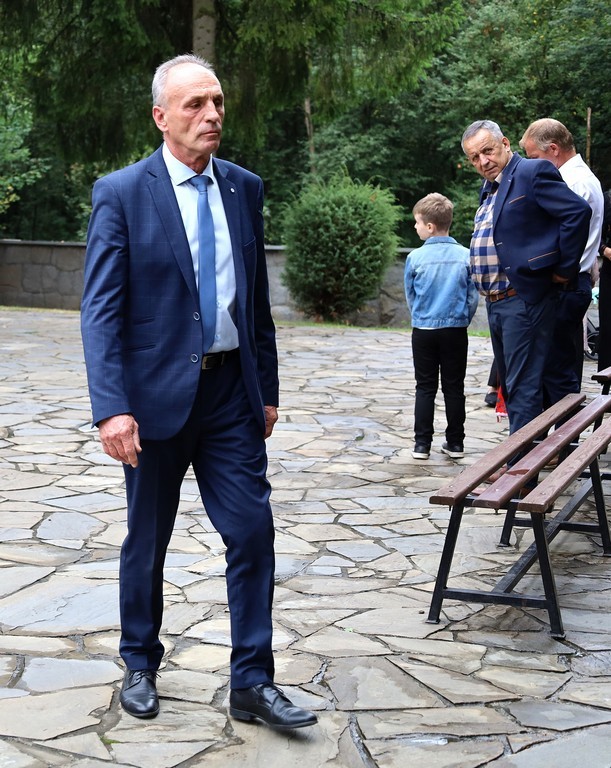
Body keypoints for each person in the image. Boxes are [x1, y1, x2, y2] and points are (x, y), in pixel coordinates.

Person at [80, 53, 317, 730]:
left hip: (230, 397)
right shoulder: (123, 192)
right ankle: (139, 662)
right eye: (194, 104)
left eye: (216, 102)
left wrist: (265, 388)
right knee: (147, 539)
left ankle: (252, 681)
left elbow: (255, 300)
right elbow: (100, 310)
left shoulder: (244, 187)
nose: (211, 114)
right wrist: (112, 408)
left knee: (252, 531)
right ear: (161, 116)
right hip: (153, 400)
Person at [461, 120, 591, 437]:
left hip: (523, 298)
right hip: (496, 303)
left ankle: (520, 466)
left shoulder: (532, 172)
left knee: (523, 391)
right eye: (475, 157)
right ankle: (525, 459)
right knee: (511, 388)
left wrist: (563, 269)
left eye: (487, 151)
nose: (483, 161)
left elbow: (577, 212)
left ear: (505, 144)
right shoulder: (489, 187)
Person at [520, 118, 604, 401]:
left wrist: (561, 271)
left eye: (534, 157)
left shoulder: (572, 182)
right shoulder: (578, 177)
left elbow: (567, 230)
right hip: (570, 283)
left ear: (553, 149)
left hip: (565, 284)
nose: (531, 164)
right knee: (555, 369)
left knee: (557, 374)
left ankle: (564, 431)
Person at [404, 193, 479, 460]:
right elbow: (472, 296)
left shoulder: (415, 257)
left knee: (425, 387)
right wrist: (462, 319)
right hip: (455, 331)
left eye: (417, 222)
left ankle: (421, 444)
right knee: (454, 386)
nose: (415, 227)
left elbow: (410, 295)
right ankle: (455, 443)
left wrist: (421, 317)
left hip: (423, 331)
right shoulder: (466, 256)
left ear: (430, 226)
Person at [598, 190, 611, 370]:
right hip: (610, 271)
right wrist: (605, 250)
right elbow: (596, 233)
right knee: (608, 326)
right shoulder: (607, 199)